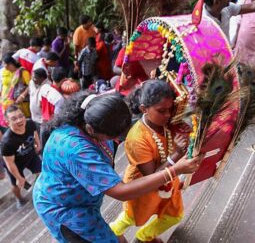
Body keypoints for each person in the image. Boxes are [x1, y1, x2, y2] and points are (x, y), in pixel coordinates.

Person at [32, 92, 202, 243]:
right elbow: (121, 192)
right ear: (91, 129)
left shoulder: (95, 113)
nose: (116, 140)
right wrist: (175, 170)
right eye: (113, 137)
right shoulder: (76, 150)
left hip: (76, 198)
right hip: (66, 210)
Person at [110, 80, 191, 242]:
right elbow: (152, 176)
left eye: (170, 109)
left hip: (169, 178)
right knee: (130, 217)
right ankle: (109, 233)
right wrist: (177, 154)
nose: (168, 115)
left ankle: (144, 236)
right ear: (144, 109)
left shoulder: (168, 122)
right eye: (161, 111)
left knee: (174, 216)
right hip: (143, 186)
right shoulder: (136, 138)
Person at [1, 105, 41, 208]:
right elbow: (9, 163)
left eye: (21, 116)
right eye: (14, 119)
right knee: (17, 185)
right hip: (15, 164)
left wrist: (38, 143)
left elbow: (34, 132)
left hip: (30, 154)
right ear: (7, 122)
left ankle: (37, 192)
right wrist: (19, 177)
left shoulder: (29, 123)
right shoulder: (7, 142)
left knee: (41, 172)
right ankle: (19, 199)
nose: (19, 120)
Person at [0, 53, 31, 118]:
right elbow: (3, 84)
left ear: (10, 64)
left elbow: (31, 85)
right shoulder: (5, 71)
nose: (3, 66)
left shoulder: (23, 72)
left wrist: (22, 95)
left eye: (5, 64)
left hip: (20, 102)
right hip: (5, 101)